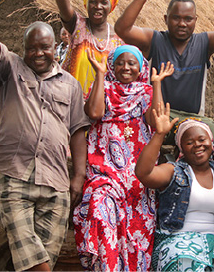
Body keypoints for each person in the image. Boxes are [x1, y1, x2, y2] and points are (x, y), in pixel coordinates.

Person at [0, 0, 90, 272]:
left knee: (43, 262)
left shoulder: (70, 85)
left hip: (55, 184)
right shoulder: (10, 69)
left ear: (55, 48)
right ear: (24, 48)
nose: (39, 53)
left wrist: (78, 176)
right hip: (15, 177)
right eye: (32, 48)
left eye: (45, 47)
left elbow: (78, 131)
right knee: (36, 263)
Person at [114, 0, 214, 143]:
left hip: (194, 119)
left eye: (188, 19)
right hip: (159, 117)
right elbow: (122, 29)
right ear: (166, 19)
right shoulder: (155, 39)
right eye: (176, 18)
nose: (182, 23)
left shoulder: (204, 42)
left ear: (195, 21)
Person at [73, 45, 171, 271]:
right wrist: (99, 74)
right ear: (112, 66)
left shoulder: (145, 91)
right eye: (120, 63)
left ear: (140, 68)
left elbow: (155, 121)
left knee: (136, 239)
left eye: (131, 63)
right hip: (104, 174)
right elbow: (95, 113)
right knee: (99, 210)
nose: (126, 67)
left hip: (137, 178)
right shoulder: (103, 87)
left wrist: (156, 84)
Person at [135, 103, 214, 271]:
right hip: (177, 241)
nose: (197, 145)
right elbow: (144, 173)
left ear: (211, 142)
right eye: (189, 142)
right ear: (182, 148)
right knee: (187, 262)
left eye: (202, 139)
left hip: (213, 241)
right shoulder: (174, 171)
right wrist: (160, 134)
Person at [51, 0, 123, 96]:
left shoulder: (118, 39)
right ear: (86, 4)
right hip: (69, 100)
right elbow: (64, 8)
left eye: (103, 2)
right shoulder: (78, 25)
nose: (98, 6)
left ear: (111, 6)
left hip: (100, 106)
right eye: (93, 2)